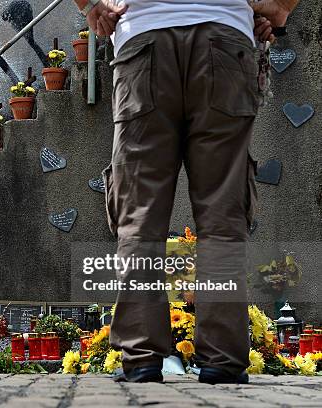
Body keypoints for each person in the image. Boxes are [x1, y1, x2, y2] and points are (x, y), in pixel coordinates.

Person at [71, 0, 300, 384]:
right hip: (225, 42)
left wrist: (92, 5)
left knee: (140, 215)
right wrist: (276, 8)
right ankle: (223, 360)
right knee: (223, 214)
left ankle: (142, 356)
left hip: (144, 40)